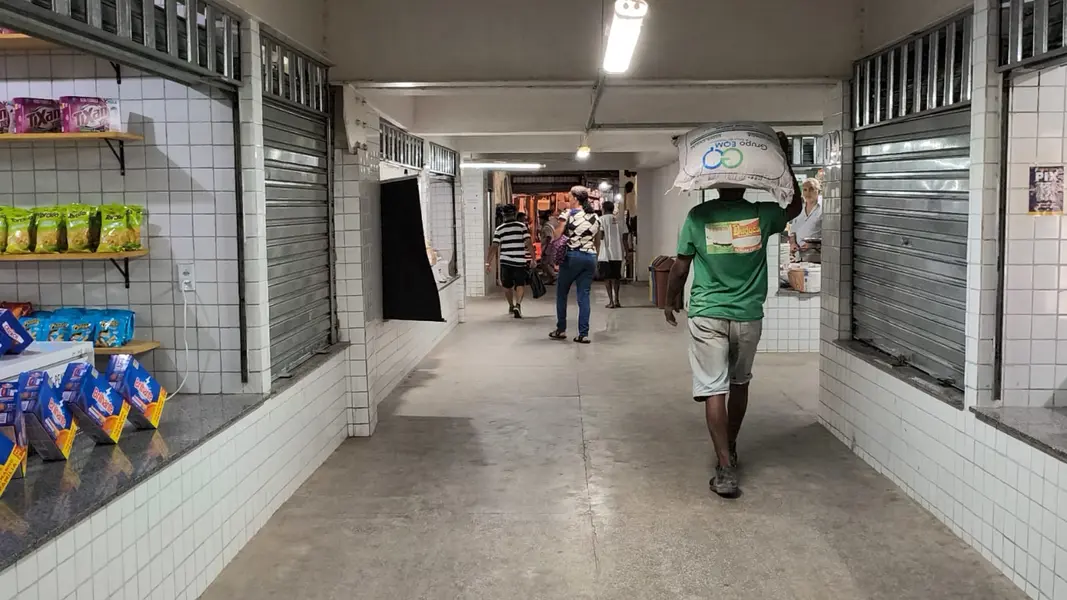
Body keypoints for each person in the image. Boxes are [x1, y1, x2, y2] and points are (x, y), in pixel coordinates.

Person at [663, 131, 804, 498]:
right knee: (740, 383)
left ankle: (724, 466)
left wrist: (669, 300)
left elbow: (680, 267)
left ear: (713, 185)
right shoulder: (761, 216)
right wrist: (785, 161)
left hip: (708, 314)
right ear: (746, 184)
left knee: (714, 389)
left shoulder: (698, 216)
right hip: (747, 315)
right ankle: (733, 447)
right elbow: (794, 208)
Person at [549, 186, 600, 343]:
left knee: (562, 293)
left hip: (572, 256)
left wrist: (555, 229)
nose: (568, 200)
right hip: (590, 257)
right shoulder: (594, 217)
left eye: (570, 197)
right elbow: (597, 241)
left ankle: (561, 329)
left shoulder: (569, 214)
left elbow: (557, 234)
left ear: (576, 199)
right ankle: (583, 334)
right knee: (584, 295)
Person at [486, 204, 534, 318]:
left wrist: (488, 262)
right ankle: (518, 305)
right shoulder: (522, 226)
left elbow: (494, 246)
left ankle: (511, 306)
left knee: (507, 285)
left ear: (503, 215)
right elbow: (528, 242)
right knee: (520, 284)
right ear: (515, 214)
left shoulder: (499, 229)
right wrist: (532, 258)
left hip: (505, 261)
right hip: (519, 260)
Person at [597, 200, 629, 308]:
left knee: (607, 278)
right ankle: (617, 300)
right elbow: (625, 238)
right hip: (618, 253)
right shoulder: (620, 220)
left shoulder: (601, 220)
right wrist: (627, 252)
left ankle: (610, 301)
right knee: (616, 278)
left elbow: (600, 236)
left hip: (605, 253)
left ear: (603, 209)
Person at [788, 179, 822, 260]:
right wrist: (793, 244)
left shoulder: (824, 209)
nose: (807, 193)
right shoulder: (798, 209)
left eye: (811, 189)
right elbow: (792, 232)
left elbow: (831, 235)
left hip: (817, 258)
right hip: (799, 258)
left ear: (819, 192)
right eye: (805, 190)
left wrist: (814, 245)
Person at [538, 209, 558, 284]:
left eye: (540, 219)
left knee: (546, 263)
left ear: (543, 220)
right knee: (546, 263)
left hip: (548, 247)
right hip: (548, 247)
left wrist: (545, 248)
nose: (539, 221)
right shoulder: (547, 226)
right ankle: (550, 279)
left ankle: (553, 276)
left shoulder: (546, 227)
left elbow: (549, 237)